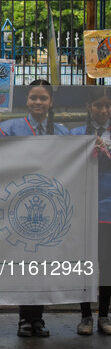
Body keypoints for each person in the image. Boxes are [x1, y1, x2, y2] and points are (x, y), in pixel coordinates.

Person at [0, 79, 69, 337]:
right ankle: (24, 318)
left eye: (43, 98)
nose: (38, 102)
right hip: (17, 205)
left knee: (43, 263)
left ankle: (39, 318)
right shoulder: (8, 128)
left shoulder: (63, 132)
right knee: (25, 262)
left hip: (49, 207)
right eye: (33, 98)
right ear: (26, 101)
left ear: (51, 102)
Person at [71, 87, 111, 335]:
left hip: (108, 212)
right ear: (89, 107)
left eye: (108, 106)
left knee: (106, 265)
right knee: (84, 265)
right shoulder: (75, 135)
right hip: (81, 211)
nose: (104, 110)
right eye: (98, 105)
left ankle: (104, 315)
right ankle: (85, 315)